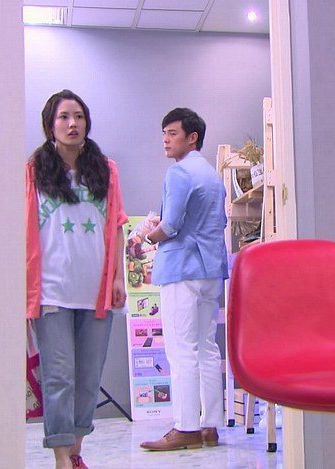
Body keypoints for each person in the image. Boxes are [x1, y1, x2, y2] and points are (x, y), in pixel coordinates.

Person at [26, 89, 128, 469]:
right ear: (50, 125)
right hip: (51, 292)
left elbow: (117, 225)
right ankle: (61, 460)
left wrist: (117, 278)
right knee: (58, 379)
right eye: (64, 117)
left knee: (87, 379)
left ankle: (75, 452)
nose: (73, 124)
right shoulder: (34, 171)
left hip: (95, 293)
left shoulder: (106, 169)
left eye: (79, 116)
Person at [139, 108, 228, 451]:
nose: (165, 139)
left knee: (180, 349)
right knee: (207, 347)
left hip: (182, 268)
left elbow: (171, 226)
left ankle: (185, 426)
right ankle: (210, 426)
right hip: (211, 269)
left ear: (192, 137)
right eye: (164, 133)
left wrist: (148, 235)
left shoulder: (178, 172)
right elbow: (217, 222)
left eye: (172, 133)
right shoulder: (212, 175)